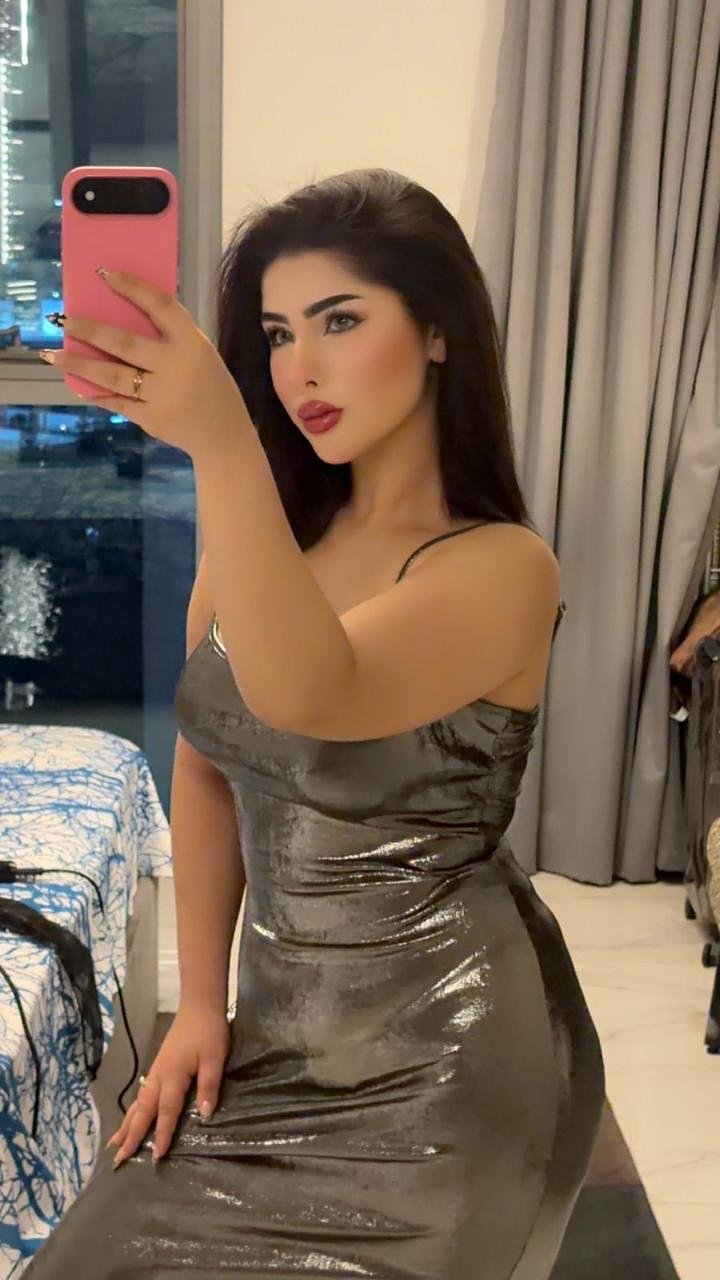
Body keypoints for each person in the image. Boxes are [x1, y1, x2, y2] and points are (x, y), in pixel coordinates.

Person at [26, 168, 605, 1279]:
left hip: (448, 1065)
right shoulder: (273, 537)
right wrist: (200, 1002)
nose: (301, 368)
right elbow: (208, 756)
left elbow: (307, 692)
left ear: (437, 331)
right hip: (273, 1030)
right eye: (278, 334)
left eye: (340, 321)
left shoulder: (503, 566)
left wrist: (221, 442)